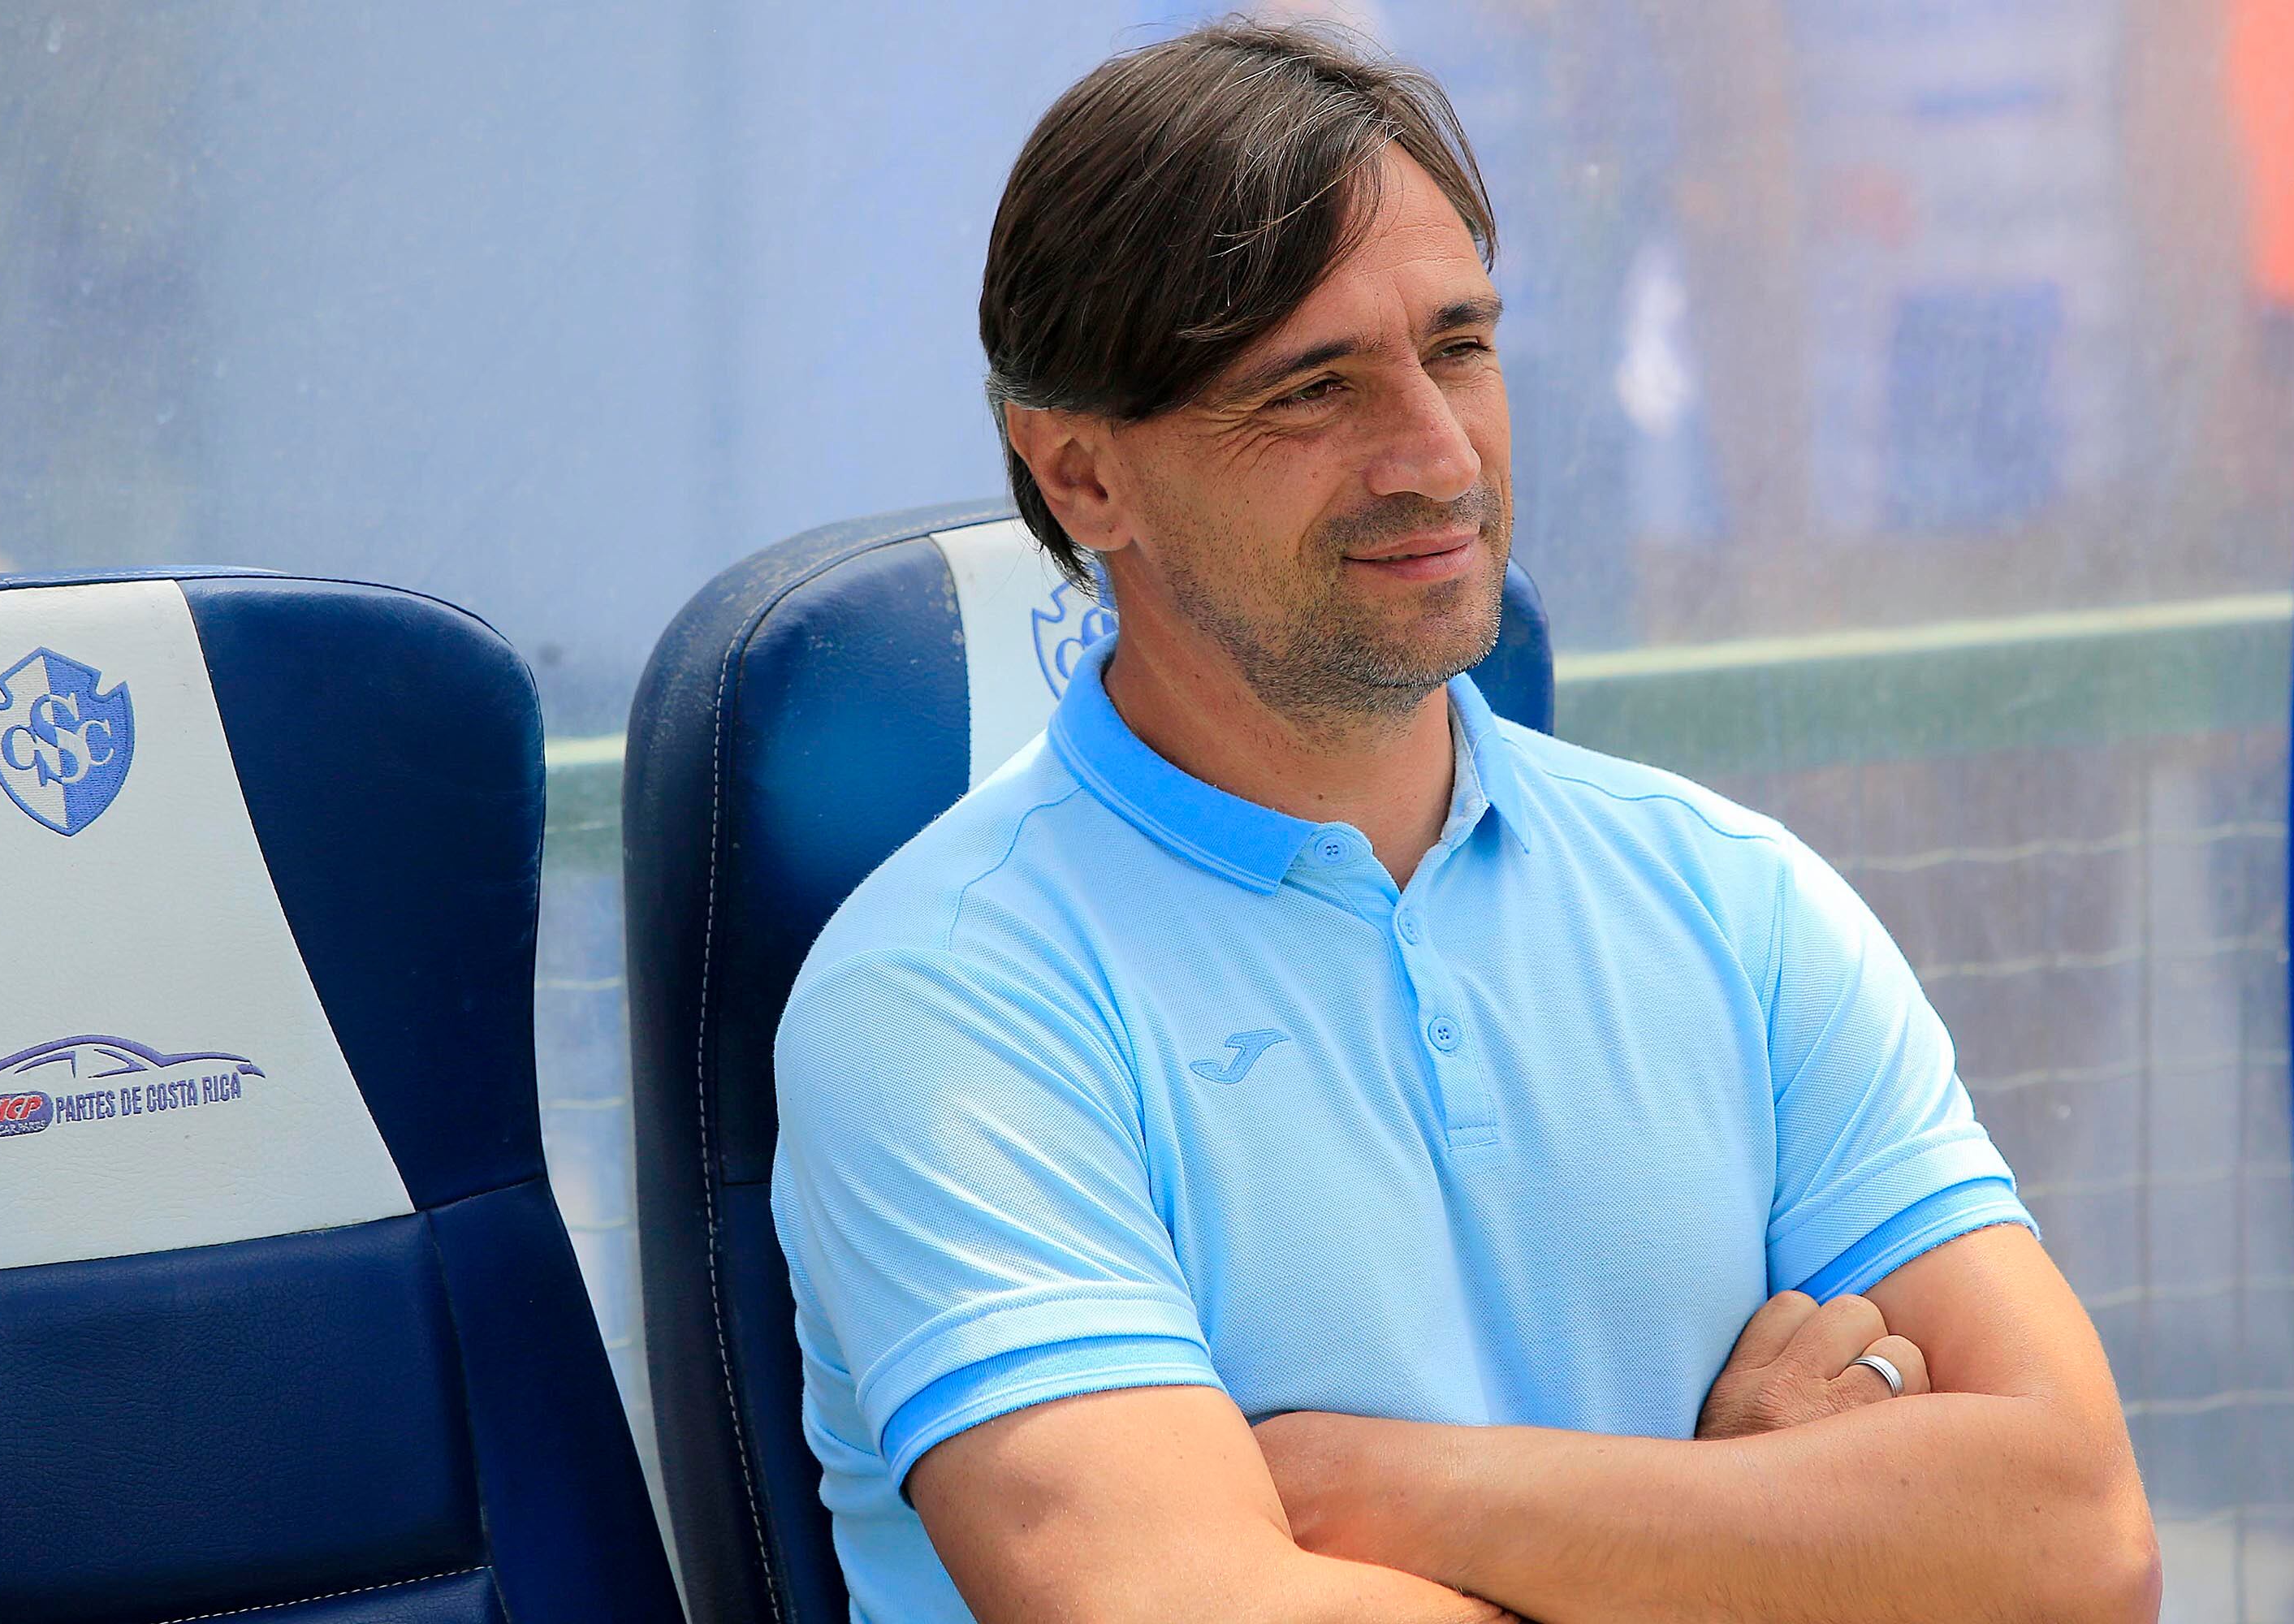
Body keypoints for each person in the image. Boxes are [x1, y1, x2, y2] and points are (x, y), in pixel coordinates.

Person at [771, 19, 2158, 1622]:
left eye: (1461, 348)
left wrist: (1387, 1490)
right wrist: (1762, 1538)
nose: (1437, 455)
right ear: (1084, 479)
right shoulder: (945, 1005)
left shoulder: (1736, 901)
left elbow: (2083, 1545)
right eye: (1314, 389)